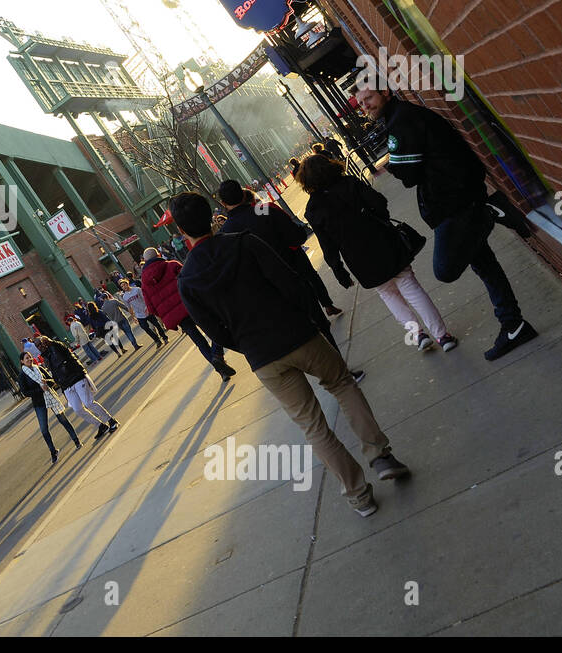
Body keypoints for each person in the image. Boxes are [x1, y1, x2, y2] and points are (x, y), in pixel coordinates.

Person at [171, 191, 410, 517]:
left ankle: (358, 495)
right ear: (213, 218)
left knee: (313, 427)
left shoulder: (187, 281)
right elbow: (290, 283)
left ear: (182, 232)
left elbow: (215, 333)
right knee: (342, 385)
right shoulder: (244, 242)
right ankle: (381, 455)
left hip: (263, 357)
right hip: (297, 333)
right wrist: (306, 318)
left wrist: (248, 345)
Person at [357, 80, 537, 360]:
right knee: (486, 267)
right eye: (361, 101)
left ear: (386, 93)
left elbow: (409, 176)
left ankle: (489, 212)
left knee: (445, 269)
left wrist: (394, 164)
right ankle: (514, 325)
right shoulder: (400, 117)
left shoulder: (402, 120)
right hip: (457, 198)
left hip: (456, 204)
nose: (365, 105)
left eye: (369, 98)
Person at [298, 154, 457, 352]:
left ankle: (418, 335)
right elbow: (380, 202)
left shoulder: (313, 209)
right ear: (330, 166)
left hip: (359, 258)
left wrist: (339, 271)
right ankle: (442, 336)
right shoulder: (349, 183)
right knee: (410, 287)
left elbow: (328, 246)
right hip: (383, 243)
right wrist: (380, 219)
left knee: (388, 295)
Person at [217, 179, 344, 321]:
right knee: (312, 289)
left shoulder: (224, 233)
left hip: (268, 289)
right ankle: (326, 306)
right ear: (243, 194)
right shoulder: (263, 210)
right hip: (292, 262)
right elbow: (296, 236)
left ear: (223, 203)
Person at [139, 246, 237, 381]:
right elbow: (190, 280)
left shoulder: (144, 283)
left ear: (145, 261)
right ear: (159, 254)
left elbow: (151, 307)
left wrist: (164, 315)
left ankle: (222, 371)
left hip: (176, 316)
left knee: (199, 341)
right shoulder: (172, 265)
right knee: (215, 326)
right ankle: (217, 355)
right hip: (191, 305)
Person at [34, 330, 118, 440]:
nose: (40, 346)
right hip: (66, 386)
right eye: (37, 346)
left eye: (41, 343)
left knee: (89, 403)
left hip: (76, 377)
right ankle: (101, 426)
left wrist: (51, 342)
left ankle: (111, 420)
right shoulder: (46, 358)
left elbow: (64, 349)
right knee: (78, 410)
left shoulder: (56, 346)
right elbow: (54, 372)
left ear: (45, 340)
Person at [18, 352, 82, 463]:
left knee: (63, 420)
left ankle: (76, 440)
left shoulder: (39, 368)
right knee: (44, 429)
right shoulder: (22, 375)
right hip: (39, 403)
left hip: (51, 397)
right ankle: (53, 451)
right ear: (22, 361)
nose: (29, 359)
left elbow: (52, 381)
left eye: (30, 357)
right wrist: (40, 389)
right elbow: (25, 392)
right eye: (26, 358)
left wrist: (46, 383)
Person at [118, 278, 167, 347]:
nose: (124, 287)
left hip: (146, 310)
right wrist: (133, 317)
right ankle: (157, 341)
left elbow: (145, 298)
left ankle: (164, 337)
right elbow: (129, 307)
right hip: (139, 315)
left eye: (124, 285)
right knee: (145, 328)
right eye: (122, 286)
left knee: (157, 324)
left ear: (127, 284)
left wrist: (147, 308)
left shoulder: (137, 289)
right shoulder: (125, 297)